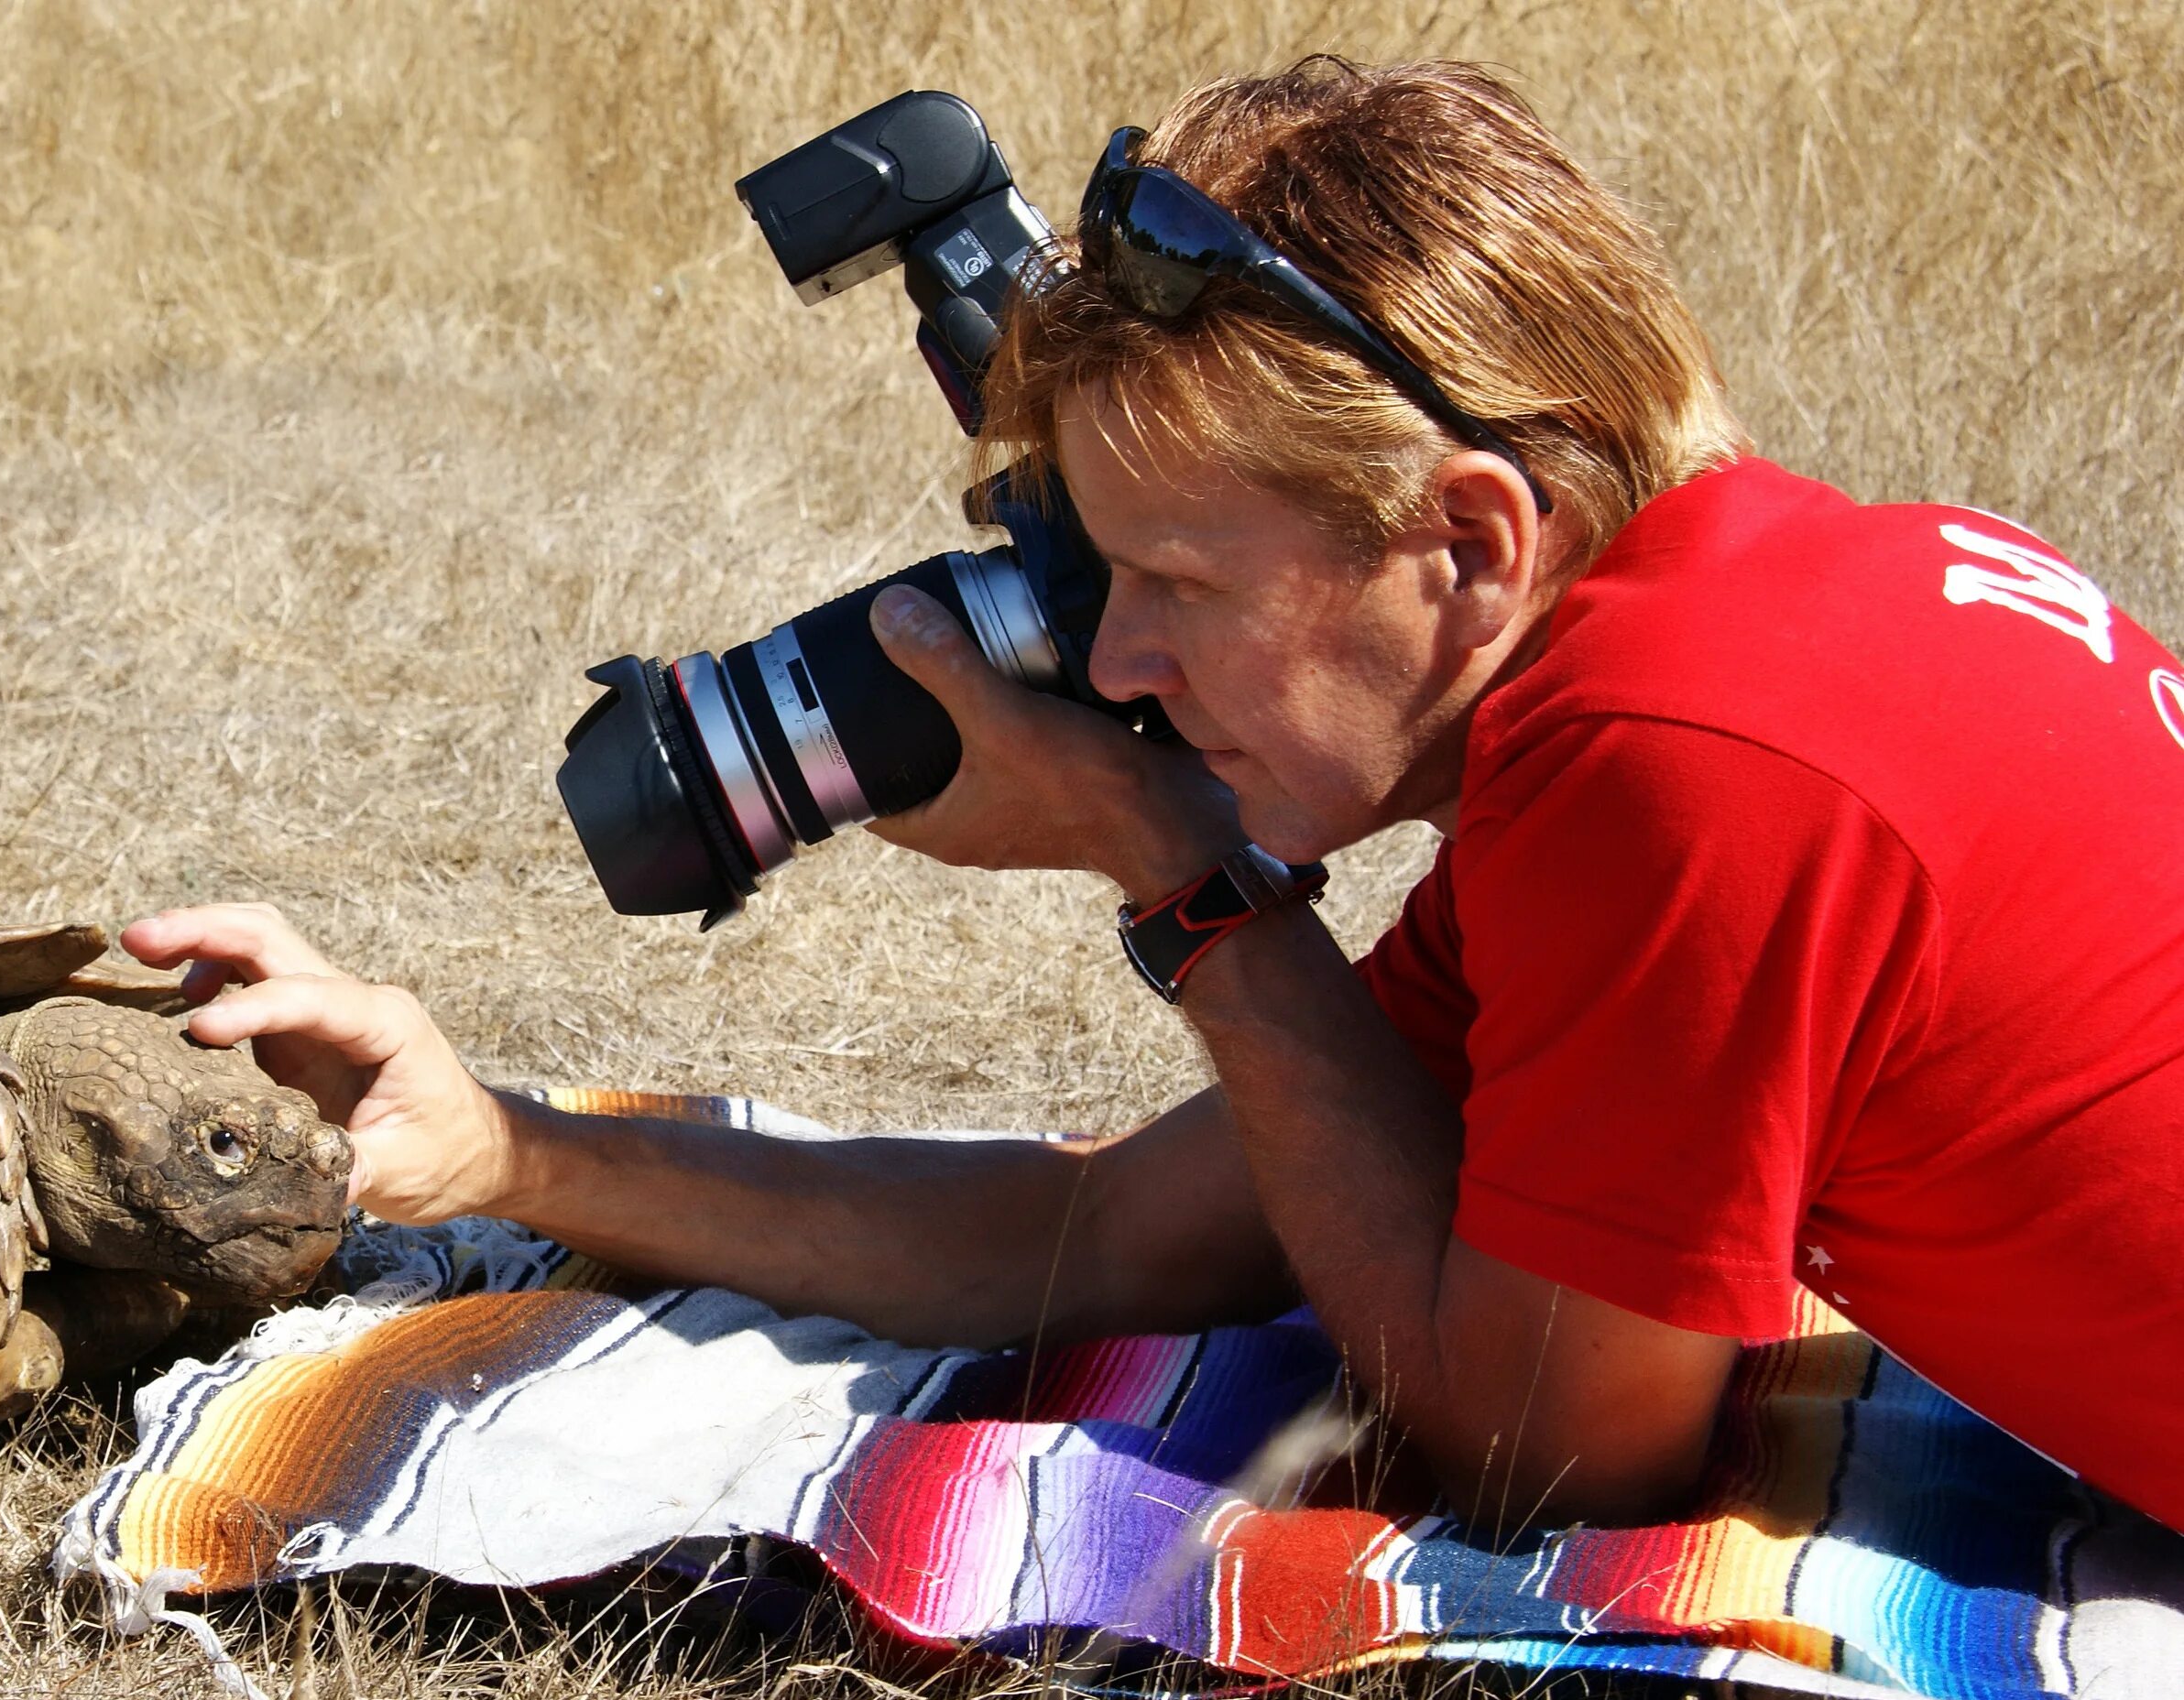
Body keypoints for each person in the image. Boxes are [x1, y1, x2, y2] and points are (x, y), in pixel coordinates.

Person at [124, 60, 2184, 1533]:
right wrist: (504, 1148)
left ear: (1466, 541)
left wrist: (1189, 884)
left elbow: (1556, 1463)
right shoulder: (1748, 639)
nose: (1112, 666)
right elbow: (1113, 1231)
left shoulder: (1686, 772)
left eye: (1177, 585)